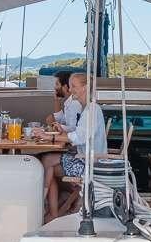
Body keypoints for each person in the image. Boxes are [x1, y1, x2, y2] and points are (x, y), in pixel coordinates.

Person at [40, 72, 106, 220]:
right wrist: (64, 129)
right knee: (47, 161)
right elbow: (79, 131)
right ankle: (52, 210)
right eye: (70, 86)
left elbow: (79, 137)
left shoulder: (92, 110)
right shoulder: (87, 108)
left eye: (74, 86)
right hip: (85, 159)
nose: (70, 90)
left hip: (91, 164)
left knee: (46, 162)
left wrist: (49, 136)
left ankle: (47, 208)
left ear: (85, 88)